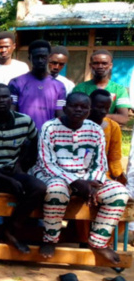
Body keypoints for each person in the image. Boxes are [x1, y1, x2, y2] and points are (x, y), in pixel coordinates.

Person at [31, 92, 129, 263]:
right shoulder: (50, 127)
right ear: (64, 107)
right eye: (74, 106)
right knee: (56, 191)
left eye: (83, 107)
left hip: (87, 178)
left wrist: (92, 184)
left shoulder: (95, 130)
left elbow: (99, 164)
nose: (78, 110)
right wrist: (75, 183)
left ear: (89, 110)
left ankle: (98, 242)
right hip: (54, 175)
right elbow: (47, 163)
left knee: (119, 193)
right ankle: (50, 239)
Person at [0, 84, 45, 254]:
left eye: (5, 97)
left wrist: (21, 165)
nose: (1, 101)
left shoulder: (24, 121)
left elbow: (35, 144)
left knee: (40, 188)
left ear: (11, 100)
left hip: (13, 170)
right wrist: (8, 179)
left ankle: (10, 229)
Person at [7, 40, 66, 130]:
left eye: (43, 57)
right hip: (23, 135)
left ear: (49, 58)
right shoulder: (16, 83)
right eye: (36, 57)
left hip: (48, 136)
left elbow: (60, 114)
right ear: (29, 58)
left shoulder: (59, 86)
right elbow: (11, 112)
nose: (40, 61)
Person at [75, 50, 130, 125]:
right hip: (83, 132)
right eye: (96, 63)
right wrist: (110, 117)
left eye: (104, 63)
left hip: (108, 133)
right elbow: (74, 114)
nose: (100, 67)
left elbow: (124, 118)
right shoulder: (80, 88)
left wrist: (94, 116)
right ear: (90, 65)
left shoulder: (119, 90)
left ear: (110, 65)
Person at [88, 89, 124, 182]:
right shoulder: (78, 124)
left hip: (103, 174)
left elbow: (115, 156)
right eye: (100, 107)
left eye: (107, 108)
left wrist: (118, 174)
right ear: (90, 105)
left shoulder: (113, 127)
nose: (104, 111)